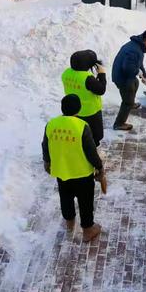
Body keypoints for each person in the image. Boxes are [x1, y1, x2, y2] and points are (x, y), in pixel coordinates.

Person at [42, 94, 104, 242]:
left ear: (62, 108)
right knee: (85, 201)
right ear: (79, 109)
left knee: (65, 198)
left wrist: (47, 162)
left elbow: (45, 145)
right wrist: (99, 167)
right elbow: (91, 151)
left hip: (62, 172)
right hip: (81, 173)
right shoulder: (81, 126)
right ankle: (88, 230)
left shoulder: (51, 124)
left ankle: (69, 223)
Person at [111, 30, 146, 131]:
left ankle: (131, 104)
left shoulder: (138, 46)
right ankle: (119, 123)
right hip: (121, 76)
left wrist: (143, 74)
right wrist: (137, 72)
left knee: (135, 83)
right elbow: (127, 67)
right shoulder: (134, 50)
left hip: (125, 75)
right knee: (127, 100)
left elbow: (138, 63)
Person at [62, 50, 106, 146]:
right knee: (94, 136)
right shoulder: (87, 78)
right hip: (90, 112)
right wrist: (102, 74)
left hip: (74, 110)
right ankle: (92, 152)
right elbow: (101, 90)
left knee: (79, 133)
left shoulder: (66, 73)